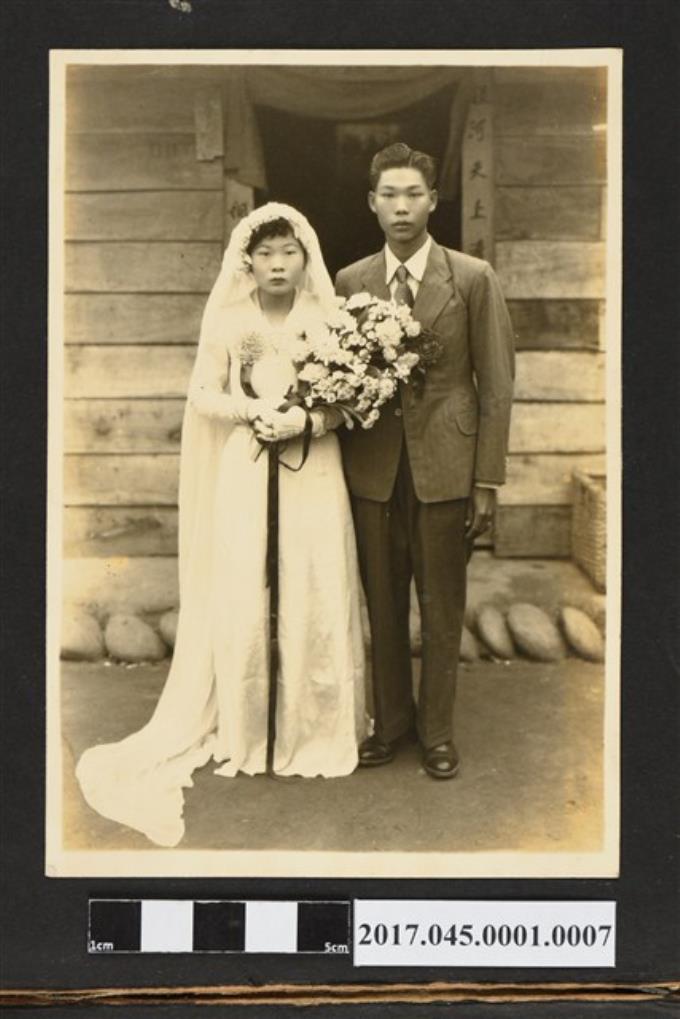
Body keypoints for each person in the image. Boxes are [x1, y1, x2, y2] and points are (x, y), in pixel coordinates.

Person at [76, 203, 366, 847]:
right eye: (265, 255)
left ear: (305, 257)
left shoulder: (329, 318)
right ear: (248, 262)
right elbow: (201, 392)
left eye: (288, 253)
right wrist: (249, 411)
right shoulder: (231, 321)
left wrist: (310, 420)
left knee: (313, 579)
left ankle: (313, 728)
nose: (278, 265)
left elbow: (352, 397)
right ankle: (248, 731)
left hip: (314, 464)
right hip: (247, 461)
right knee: (245, 585)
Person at [335, 143, 514, 780]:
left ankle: (437, 732)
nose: (402, 207)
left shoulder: (472, 278)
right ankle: (391, 723)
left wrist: (486, 480)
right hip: (374, 471)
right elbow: (340, 378)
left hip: (447, 465)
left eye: (414, 194)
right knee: (381, 603)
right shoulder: (350, 282)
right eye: (390, 195)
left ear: (434, 200)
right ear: (372, 203)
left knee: (440, 607)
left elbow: (495, 384)